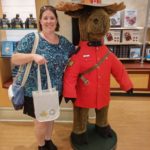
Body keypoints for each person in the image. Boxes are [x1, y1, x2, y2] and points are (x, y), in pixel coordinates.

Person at [11, 5, 75, 150]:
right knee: (41, 120)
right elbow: (14, 58)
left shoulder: (63, 42)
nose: (49, 21)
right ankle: (41, 146)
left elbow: (75, 54)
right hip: (35, 91)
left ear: (56, 21)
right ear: (40, 21)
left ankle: (48, 141)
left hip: (55, 90)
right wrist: (33, 56)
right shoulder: (32, 38)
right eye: (45, 18)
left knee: (51, 117)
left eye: (52, 18)